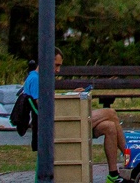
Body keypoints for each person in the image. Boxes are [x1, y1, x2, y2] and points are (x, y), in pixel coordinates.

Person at [23, 50, 131, 183]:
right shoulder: (35, 79)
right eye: (56, 65)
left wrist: (69, 94)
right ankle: (130, 158)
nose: (58, 70)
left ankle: (113, 175)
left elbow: (50, 101)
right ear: (46, 61)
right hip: (62, 123)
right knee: (111, 113)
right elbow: (45, 108)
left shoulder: (39, 78)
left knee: (109, 127)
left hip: (63, 120)